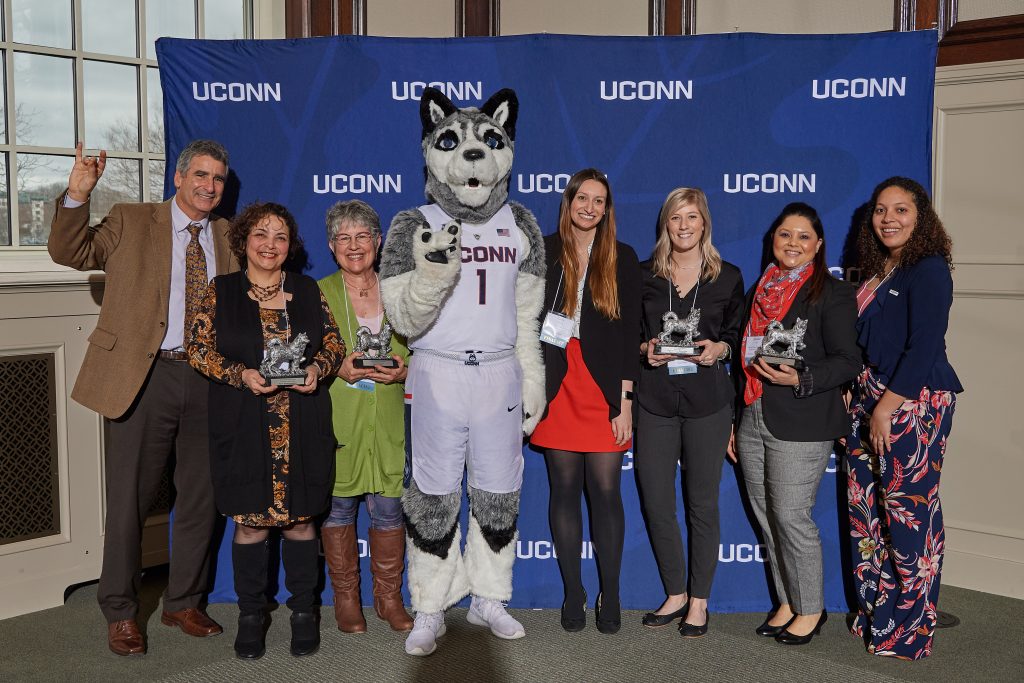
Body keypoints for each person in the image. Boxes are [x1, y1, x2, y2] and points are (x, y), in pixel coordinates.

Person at [47, 140, 234, 656]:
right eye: (200, 175)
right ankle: (121, 612)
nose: (209, 186)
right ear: (178, 177)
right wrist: (77, 196)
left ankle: (183, 602)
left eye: (218, 179)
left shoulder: (227, 235)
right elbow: (71, 252)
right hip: (142, 376)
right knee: (128, 500)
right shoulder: (132, 219)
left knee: (201, 498)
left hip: (208, 379)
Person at [187, 202, 344, 659]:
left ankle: (303, 612)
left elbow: (333, 342)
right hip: (243, 423)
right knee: (251, 526)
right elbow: (197, 348)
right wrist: (240, 374)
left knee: (299, 522)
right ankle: (251, 615)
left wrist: (318, 365)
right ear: (243, 242)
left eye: (279, 237)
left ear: (289, 246)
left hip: (302, 422)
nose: (270, 244)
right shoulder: (222, 290)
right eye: (260, 235)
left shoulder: (307, 289)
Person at [845, 177, 962, 660]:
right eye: (880, 210)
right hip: (869, 398)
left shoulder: (929, 269)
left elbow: (924, 348)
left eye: (901, 210)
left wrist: (887, 408)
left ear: (921, 218)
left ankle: (911, 628)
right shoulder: (879, 269)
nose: (888, 218)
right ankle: (879, 612)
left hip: (910, 404)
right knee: (867, 513)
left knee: (909, 516)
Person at [733, 202, 860, 645]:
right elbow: (745, 356)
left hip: (803, 420)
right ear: (773, 240)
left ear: (818, 245)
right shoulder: (762, 288)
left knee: (791, 517)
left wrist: (802, 377)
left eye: (803, 236)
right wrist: (737, 419)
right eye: (785, 234)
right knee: (768, 518)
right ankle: (788, 601)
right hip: (754, 414)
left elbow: (848, 361)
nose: (793, 243)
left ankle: (811, 609)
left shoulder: (834, 293)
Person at [530, 168, 641, 635]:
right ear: (569, 200)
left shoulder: (623, 257)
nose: (590, 207)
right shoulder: (544, 251)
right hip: (557, 383)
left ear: (606, 209)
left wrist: (626, 401)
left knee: (607, 492)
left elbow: (631, 334)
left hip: (602, 388)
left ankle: (609, 592)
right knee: (564, 490)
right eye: (583, 198)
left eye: (599, 200)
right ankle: (573, 591)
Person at [636, 188, 744, 637]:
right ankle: (675, 593)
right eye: (676, 218)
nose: (684, 226)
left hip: (708, 404)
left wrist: (720, 347)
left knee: (702, 504)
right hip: (655, 401)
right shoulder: (643, 275)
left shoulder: (728, 277)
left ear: (705, 223)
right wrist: (644, 349)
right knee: (657, 502)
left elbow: (739, 337)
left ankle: (699, 601)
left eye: (692, 217)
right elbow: (628, 335)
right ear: (666, 223)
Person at [318, 200, 413, 634]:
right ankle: (346, 601)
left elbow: (423, 345)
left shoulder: (401, 290)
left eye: (362, 236)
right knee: (338, 511)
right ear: (332, 245)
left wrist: (407, 367)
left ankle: (389, 599)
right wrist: (337, 365)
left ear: (377, 242)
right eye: (343, 237)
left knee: (389, 512)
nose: (353, 246)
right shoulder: (317, 293)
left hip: (390, 416)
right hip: (340, 417)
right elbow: (306, 353)